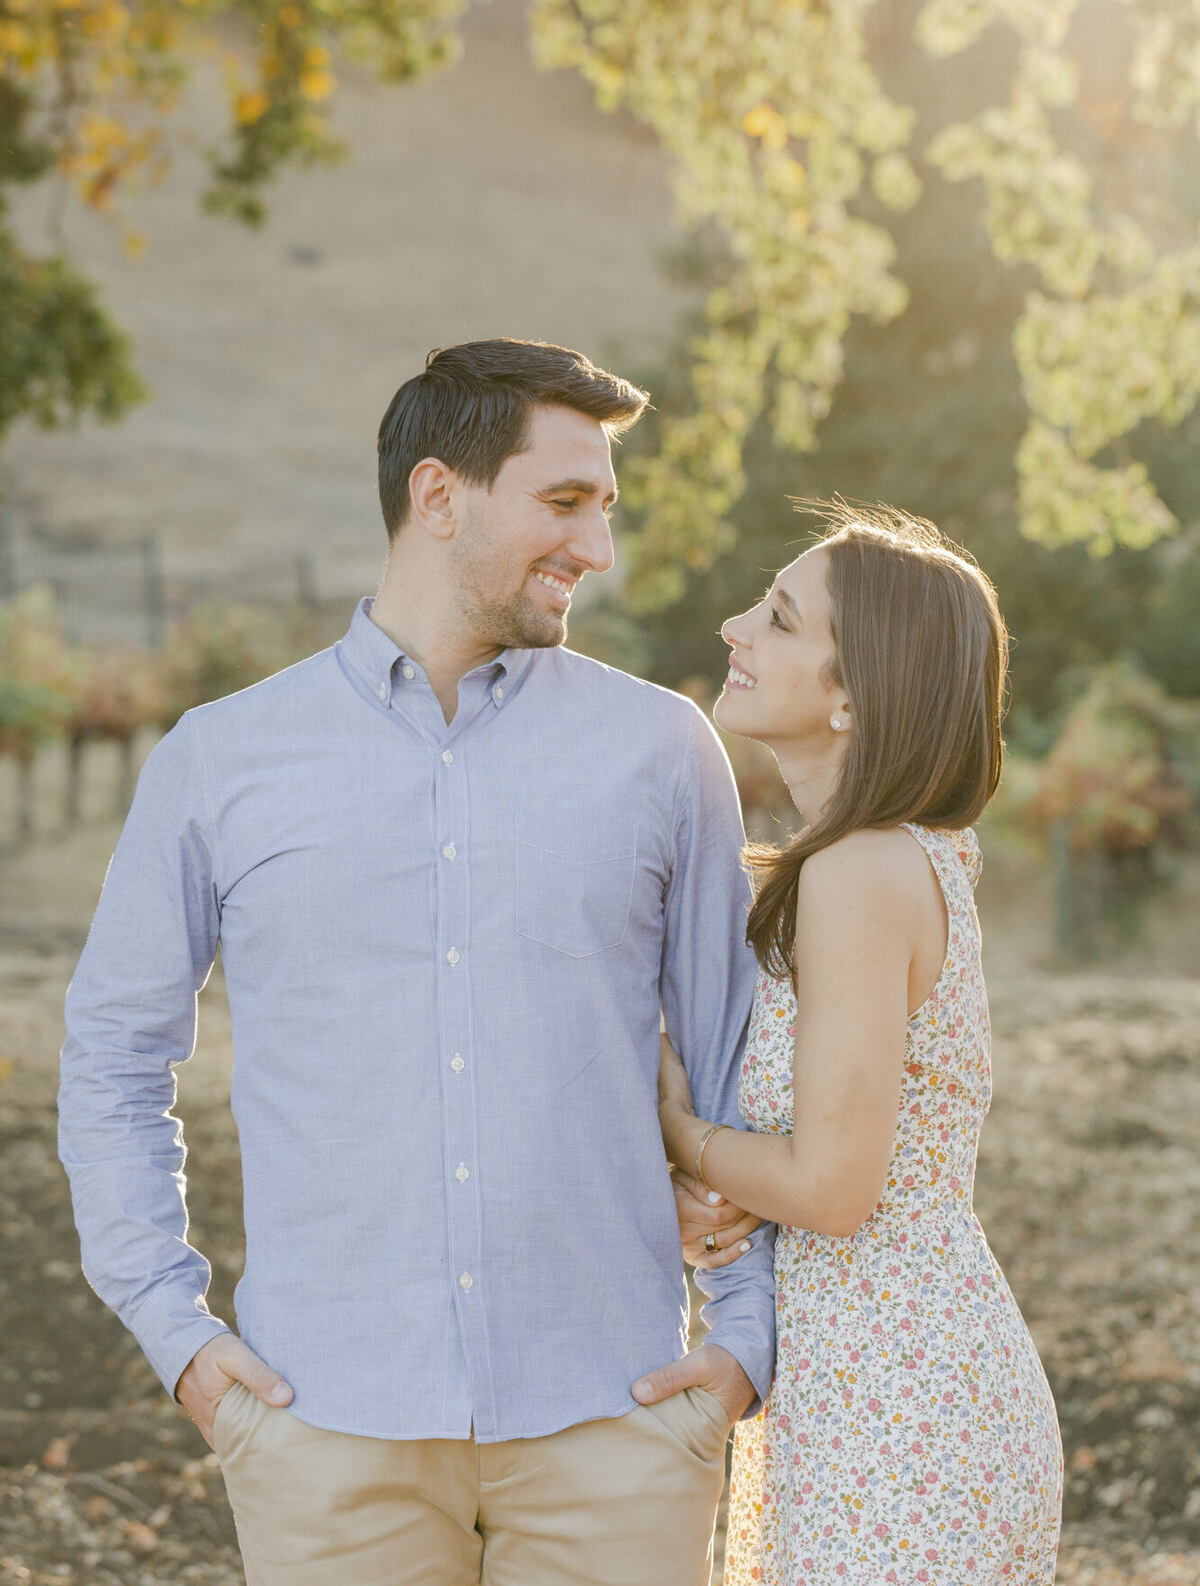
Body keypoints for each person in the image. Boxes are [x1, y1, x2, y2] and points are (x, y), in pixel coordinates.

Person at [58, 338, 775, 1586]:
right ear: (437, 495)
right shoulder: (222, 759)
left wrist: (745, 1343)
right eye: (565, 503)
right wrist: (172, 1330)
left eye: (605, 510)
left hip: (621, 1418)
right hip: (326, 1432)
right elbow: (114, 1056)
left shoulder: (663, 752)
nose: (596, 550)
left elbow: (735, 1061)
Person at [657, 504, 1063, 1586]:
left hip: (899, 1405)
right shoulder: (891, 860)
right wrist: (728, 1183)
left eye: (781, 618)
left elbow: (833, 1187)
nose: (737, 625)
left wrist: (678, 1134)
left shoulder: (858, 874)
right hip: (875, 1383)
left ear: (854, 695)